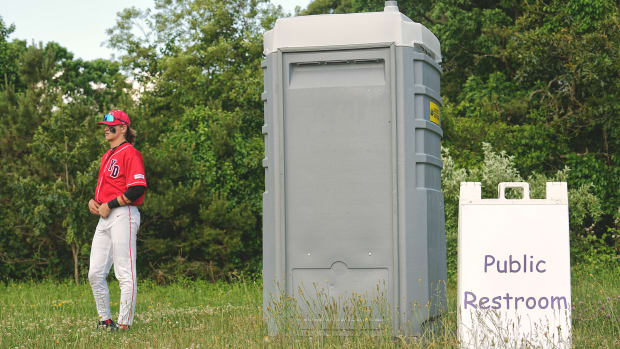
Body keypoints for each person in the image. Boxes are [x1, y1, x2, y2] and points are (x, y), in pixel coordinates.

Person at [87, 110, 147, 330]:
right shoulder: (107, 155)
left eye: (111, 125)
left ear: (123, 128)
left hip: (124, 214)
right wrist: (94, 202)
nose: (106, 128)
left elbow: (137, 188)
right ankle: (105, 320)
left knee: (124, 272)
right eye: (105, 125)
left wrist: (109, 204)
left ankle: (124, 324)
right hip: (105, 217)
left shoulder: (130, 153)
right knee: (95, 272)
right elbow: (108, 190)